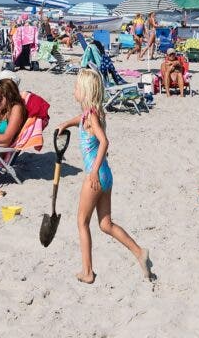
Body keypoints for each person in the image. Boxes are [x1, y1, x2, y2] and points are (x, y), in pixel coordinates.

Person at [56, 69, 152, 284]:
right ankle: (139, 252)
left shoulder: (90, 116)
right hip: (106, 174)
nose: (74, 91)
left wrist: (92, 171)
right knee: (105, 224)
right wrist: (65, 123)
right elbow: (81, 120)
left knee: (82, 222)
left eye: (76, 87)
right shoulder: (93, 113)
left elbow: (104, 141)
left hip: (96, 174)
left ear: (86, 91)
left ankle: (87, 272)